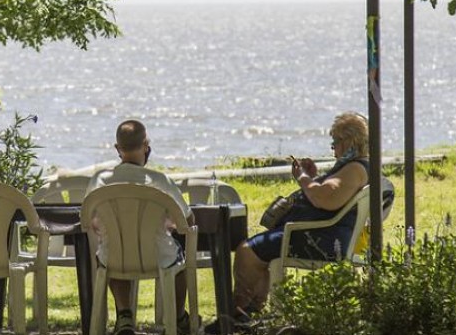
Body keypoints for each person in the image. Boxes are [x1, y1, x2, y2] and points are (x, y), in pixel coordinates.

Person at [205, 112, 371, 334]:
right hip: (324, 232)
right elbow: (331, 193)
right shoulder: (358, 167)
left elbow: (326, 198)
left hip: (319, 237)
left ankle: (238, 314)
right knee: (260, 252)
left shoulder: (354, 169)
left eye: (335, 143)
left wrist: (303, 177)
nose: (333, 149)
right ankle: (250, 314)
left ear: (349, 141)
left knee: (247, 250)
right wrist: (313, 178)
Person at [87, 119, 196, 335]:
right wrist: (168, 223)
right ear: (146, 146)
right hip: (158, 257)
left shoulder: (100, 180)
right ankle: (178, 317)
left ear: (118, 148)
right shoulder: (160, 180)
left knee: (116, 249)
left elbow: (90, 219)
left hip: (113, 257)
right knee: (179, 259)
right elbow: (188, 221)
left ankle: (125, 315)